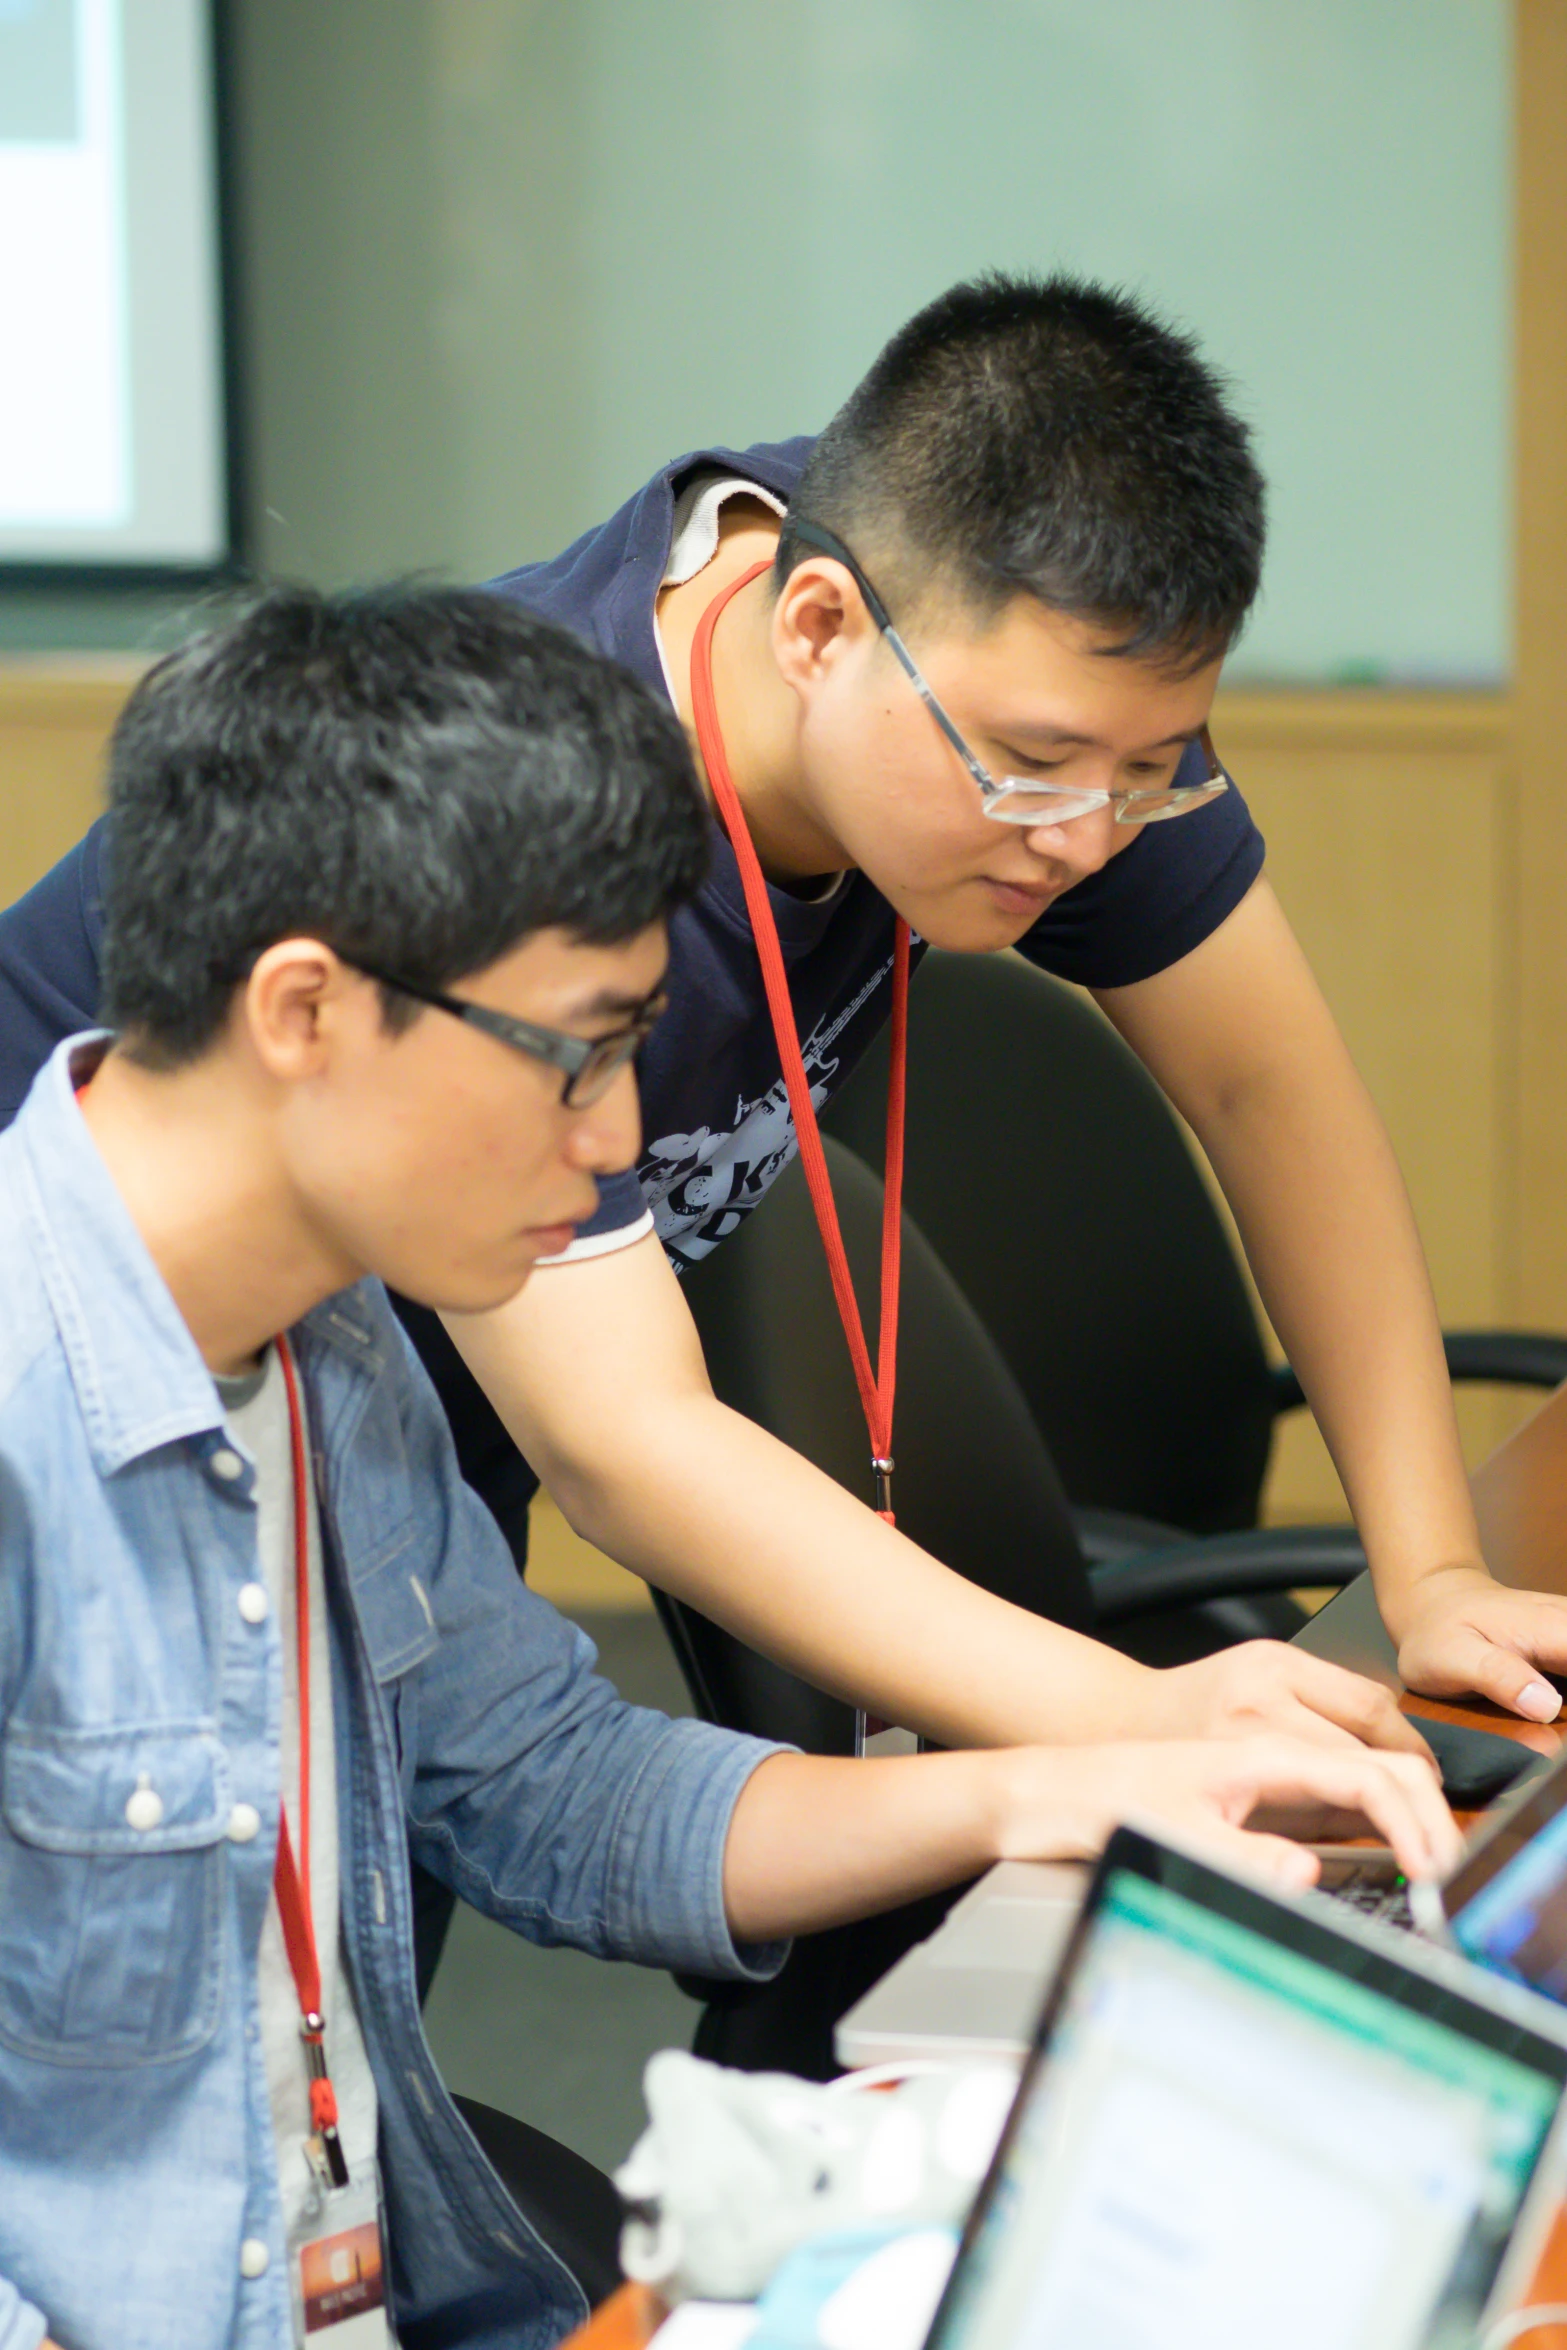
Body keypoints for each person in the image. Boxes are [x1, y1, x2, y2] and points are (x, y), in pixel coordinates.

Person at [0, 586, 1457, 2350]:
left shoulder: (331, 1354)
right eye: (578, 1056)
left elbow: (557, 1780)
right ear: (305, 1008)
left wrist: (1062, 1787)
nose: (620, 1140)